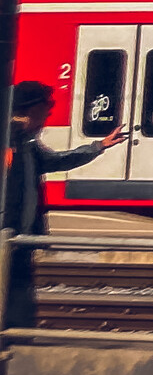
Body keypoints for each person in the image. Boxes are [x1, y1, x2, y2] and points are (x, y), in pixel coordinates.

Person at [4, 81, 109, 329]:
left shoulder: (28, 146)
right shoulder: (11, 141)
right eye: (47, 108)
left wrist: (98, 147)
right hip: (8, 234)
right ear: (32, 109)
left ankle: (19, 333)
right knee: (15, 288)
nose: (49, 115)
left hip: (20, 235)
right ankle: (17, 334)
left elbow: (57, 161)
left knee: (18, 288)